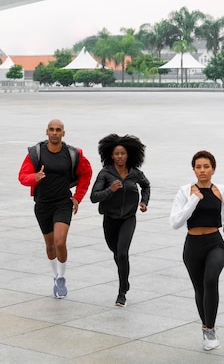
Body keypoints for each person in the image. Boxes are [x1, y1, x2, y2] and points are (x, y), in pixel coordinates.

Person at [169, 150, 224, 351]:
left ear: (213, 169)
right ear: (193, 169)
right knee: (200, 288)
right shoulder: (185, 192)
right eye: (198, 167)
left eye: (206, 166)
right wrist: (193, 200)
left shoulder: (222, 190)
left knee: (210, 280)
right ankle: (205, 327)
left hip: (215, 243)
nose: (202, 170)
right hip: (192, 245)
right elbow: (175, 222)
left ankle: (210, 329)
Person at [18, 119, 92, 298]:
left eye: (58, 130)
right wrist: (34, 177)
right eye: (51, 129)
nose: (54, 133)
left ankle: (62, 278)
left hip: (62, 203)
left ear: (63, 133)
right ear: (46, 132)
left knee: (60, 242)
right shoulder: (36, 153)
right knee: (50, 246)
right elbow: (22, 176)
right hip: (43, 204)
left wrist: (78, 197)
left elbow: (86, 173)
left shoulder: (72, 153)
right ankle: (55, 276)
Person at [90, 134, 150, 307]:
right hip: (110, 219)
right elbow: (94, 197)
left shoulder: (135, 173)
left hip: (128, 218)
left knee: (122, 253)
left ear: (129, 154)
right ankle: (125, 279)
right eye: (116, 154)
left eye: (123, 153)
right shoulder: (105, 173)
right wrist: (111, 189)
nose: (120, 157)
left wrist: (144, 202)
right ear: (111, 155)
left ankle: (122, 291)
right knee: (116, 253)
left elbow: (146, 185)